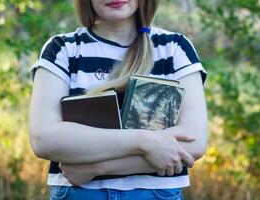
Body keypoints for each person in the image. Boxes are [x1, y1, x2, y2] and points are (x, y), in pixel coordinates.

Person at [29, 0, 208, 199]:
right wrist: (144, 141)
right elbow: (44, 139)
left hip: (155, 193)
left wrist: (97, 167)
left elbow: (194, 142)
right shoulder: (63, 49)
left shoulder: (174, 48)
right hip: (79, 193)